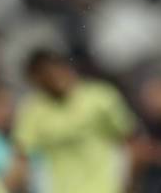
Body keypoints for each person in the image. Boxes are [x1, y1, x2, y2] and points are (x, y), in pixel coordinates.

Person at [13, 49, 136, 193]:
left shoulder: (100, 96)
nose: (53, 79)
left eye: (53, 72)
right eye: (44, 77)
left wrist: (129, 183)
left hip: (108, 188)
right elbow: (21, 159)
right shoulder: (32, 111)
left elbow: (132, 142)